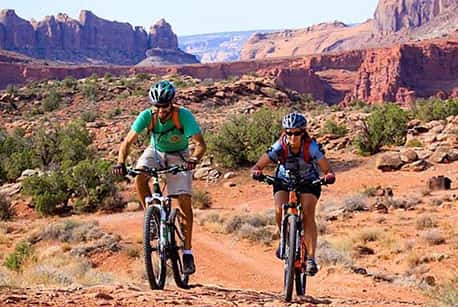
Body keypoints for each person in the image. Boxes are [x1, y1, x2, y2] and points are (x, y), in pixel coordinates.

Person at [113, 80, 206, 275]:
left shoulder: (183, 116)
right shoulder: (147, 116)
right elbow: (127, 142)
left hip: (179, 155)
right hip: (155, 152)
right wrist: (120, 162)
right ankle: (151, 216)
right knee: (139, 175)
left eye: (164, 106)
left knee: (184, 201)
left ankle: (187, 252)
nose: (161, 110)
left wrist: (194, 159)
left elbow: (200, 144)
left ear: (171, 102)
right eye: (157, 106)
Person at [250, 112, 335, 276]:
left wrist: (329, 176)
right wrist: (257, 171)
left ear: (303, 132)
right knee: (279, 209)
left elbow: (327, 169)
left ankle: (310, 258)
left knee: (309, 214)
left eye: (297, 133)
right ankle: (284, 240)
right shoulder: (279, 146)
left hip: (308, 182)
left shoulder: (311, 147)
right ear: (284, 132)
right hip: (283, 180)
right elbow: (259, 164)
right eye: (289, 132)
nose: (293, 136)